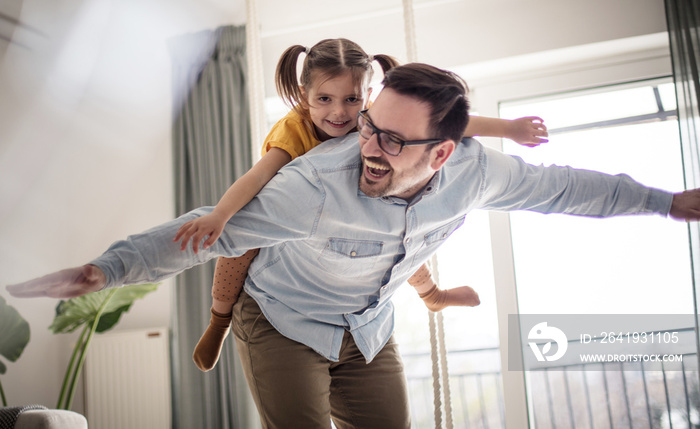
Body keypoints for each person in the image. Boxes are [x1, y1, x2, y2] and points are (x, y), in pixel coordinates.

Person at [9, 62, 698, 429]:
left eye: (392, 139)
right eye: (368, 126)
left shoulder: (480, 172)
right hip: (280, 320)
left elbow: (568, 189)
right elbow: (204, 230)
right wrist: (109, 267)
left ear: (445, 152)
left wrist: (666, 203)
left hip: (368, 328)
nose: (365, 146)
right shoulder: (312, 186)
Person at [175, 38, 549, 372]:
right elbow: (257, 178)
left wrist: (509, 129)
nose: (339, 113)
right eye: (324, 99)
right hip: (291, 215)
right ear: (304, 94)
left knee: (401, 235)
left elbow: (448, 125)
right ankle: (218, 321)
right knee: (240, 242)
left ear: (368, 95)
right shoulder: (294, 130)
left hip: (355, 212)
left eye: (352, 99)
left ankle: (432, 295)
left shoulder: (372, 120)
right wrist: (221, 214)